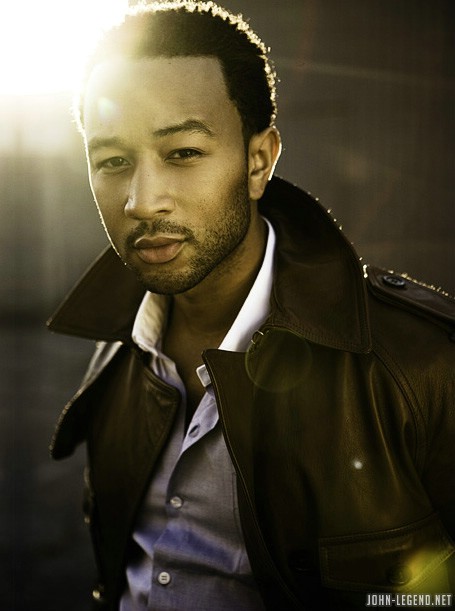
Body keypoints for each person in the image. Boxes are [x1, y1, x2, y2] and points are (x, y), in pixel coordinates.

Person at [48, 2, 455, 609]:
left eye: (183, 153)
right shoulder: (119, 353)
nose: (141, 201)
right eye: (112, 161)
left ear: (258, 161)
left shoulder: (418, 365)